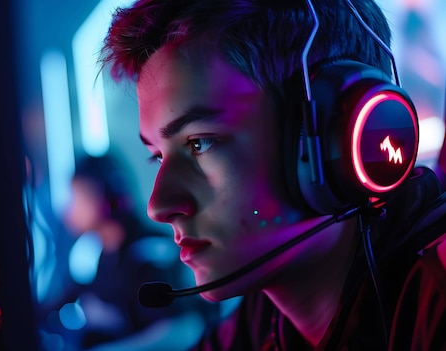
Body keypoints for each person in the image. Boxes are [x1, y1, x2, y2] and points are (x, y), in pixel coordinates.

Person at [98, 0, 446, 350]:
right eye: (157, 157)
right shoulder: (262, 319)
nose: (158, 206)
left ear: (335, 135)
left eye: (200, 143)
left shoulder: (435, 301)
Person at [39, 153, 214, 350]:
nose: (69, 210)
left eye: (76, 197)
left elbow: (181, 332)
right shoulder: (105, 257)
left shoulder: (152, 252)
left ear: (107, 197)